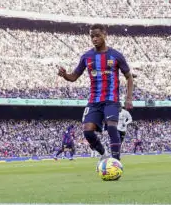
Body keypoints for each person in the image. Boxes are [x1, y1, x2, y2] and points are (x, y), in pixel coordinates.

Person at [57, 24, 133, 161]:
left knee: (112, 128)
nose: (94, 39)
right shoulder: (87, 57)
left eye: (97, 35)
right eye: (92, 36)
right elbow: (74, 77)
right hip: (94, 101)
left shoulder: (116, 55)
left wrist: (128, 98)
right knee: (87, 131)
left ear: (105, 35)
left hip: (111, 100)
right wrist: (65, 75)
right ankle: (103, 154)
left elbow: (129, 77)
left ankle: (116, 161)